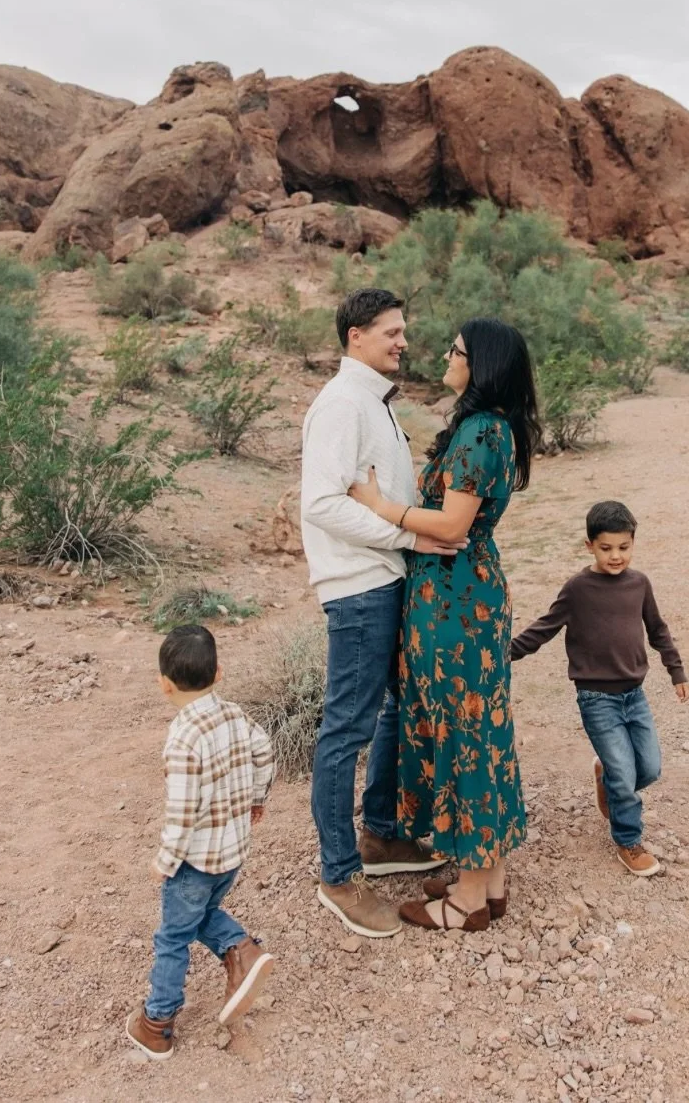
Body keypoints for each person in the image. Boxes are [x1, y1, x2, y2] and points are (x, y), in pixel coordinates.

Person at [348, 318, 541, 930]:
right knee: (477, 730)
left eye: (456, 351)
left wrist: (383, 509)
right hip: (464, 596)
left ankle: (468, 901)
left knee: (464, 735)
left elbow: (453, 527)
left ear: (480, 364)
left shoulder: (483, 430)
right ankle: (486, 878)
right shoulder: (491, 427)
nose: (445, 356)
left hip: (455, 601)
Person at [301, 289, 457, 939]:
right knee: (345, 730)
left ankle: (382, 836)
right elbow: (321, 503)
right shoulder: (342, 404)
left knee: (394, 708)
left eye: (404, 332)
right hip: (360, 586)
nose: (402, 342)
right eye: (391, 333)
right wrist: (407, 538)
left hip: (384, 582)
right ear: (356, 335)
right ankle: (339, 875)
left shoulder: (373, 403)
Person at [509, 501, 689, 876]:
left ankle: (606, 776)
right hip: (597, 699)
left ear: (633, 543)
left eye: (624, 547)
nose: (616, 556)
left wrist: (676, 670)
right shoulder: (578, 589)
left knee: (650, 768)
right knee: (624, 775)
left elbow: (657, 630)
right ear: (589, 545)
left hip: (634, 695)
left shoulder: (639, 584)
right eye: (606, 548)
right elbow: (544, 628)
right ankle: (628, 840)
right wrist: (502, 654)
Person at [126, 625, 276, 1061]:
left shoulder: (183, 737)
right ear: (219, 673)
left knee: (173, 937)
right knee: (203, 913)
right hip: (232, 852)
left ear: (164, 684)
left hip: (194, 861)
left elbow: (183, 809)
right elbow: (264, 751)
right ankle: (241, 951)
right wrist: (256, 797)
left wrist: (166, 860)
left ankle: (157, 1023)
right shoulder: (234, 714)